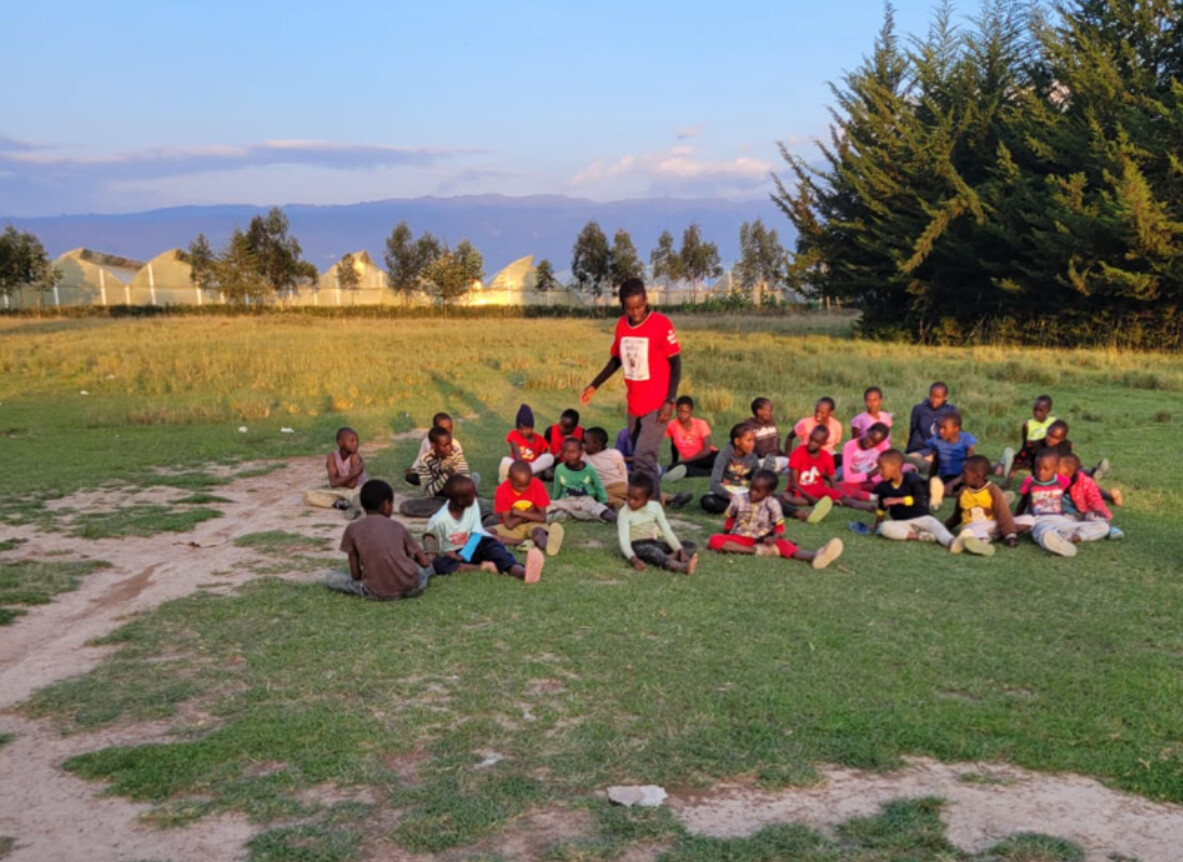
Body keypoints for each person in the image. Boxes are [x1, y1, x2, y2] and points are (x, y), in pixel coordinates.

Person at [582, 278, 682, 502]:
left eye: (639, 306)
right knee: (642, 459)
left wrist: (670, 400)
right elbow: (616, 360)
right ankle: (654, 501)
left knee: (643, 457)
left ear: (646, 300)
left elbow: (676, 364)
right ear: (623, 306)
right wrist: (594, 385)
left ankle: (650, 506)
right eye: (630, 308)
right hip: (635, 404)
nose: (636, 312)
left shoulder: (661, 324)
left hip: (658, 404)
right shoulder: (621, 326)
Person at [707, 469, 844, 569]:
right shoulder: (739, 499)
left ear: (769, 493)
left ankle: (815, 555)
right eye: (751, 488)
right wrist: (726, 534)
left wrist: (774, 537)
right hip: (741, 537)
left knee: (786, 546)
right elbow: (730, 518)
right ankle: (757, 551)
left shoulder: (773, 504)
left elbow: (779, 526)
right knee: (714, 540)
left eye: (758, 491)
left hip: (764, 538)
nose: (752, 493)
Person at [325, 479, 435, 599]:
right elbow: (424, 562)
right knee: (427, 568)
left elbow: (355, 575)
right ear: (386, 504)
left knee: (332, 578)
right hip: (410, 587)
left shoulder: (352, 529)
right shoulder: (397, 526)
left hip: (374, 591)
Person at [426, 475, 544, 582]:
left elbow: (476, 533)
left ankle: (521, 572)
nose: (475, 496)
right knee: (438, 564)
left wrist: (465, 553)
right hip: (454, 553)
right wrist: (433, 557)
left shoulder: (472, 505)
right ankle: (482, 567)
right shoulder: (439, 520)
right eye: (471, 495)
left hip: (475, 544)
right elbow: (430, 540)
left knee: (494, 548)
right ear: (460, 500)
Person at [867, 449, 961, 549]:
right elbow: (881, 509)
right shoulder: (884, 486)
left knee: (936, 526)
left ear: (894, 466)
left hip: (923, 518)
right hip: (903, 523)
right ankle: (922, 536)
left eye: (882, 468)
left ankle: (952, 542)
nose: (879, 472)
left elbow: (918, 499)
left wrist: (898, 500)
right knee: (884, 527)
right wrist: (877, 525)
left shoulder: (912, 479)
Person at [1015, 450, 1101, 557]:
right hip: (1039, 520)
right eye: (1037, 468)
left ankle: (1074, 537)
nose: (1041, 472)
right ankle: (1052, 540)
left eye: (1046, 469)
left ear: (1055, 469)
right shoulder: (1030, 482)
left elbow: (1070, 495)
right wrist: (1016, 517)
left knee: (1102, 526)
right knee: (1043, 532)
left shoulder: (1062, 481)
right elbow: (1023, 501)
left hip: (1061, 519)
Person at [943, 455, 1031, 552]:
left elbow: (1003, 514)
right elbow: (957, 516)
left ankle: (992, 536)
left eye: (964, 473)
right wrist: (945, 527)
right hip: (971, 527)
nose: (961, 476)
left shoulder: (993, 490)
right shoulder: (963, 492)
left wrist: (1010, 535)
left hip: (990, 525)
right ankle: (978, 542)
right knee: (972, 531)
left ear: (977, 476)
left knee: (1029, 520)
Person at [617, 473, 699, 574]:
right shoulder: (624, 512)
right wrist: (634, 560)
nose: (630, 502)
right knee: (652, 551)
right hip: (636, 546)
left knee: (690, 545)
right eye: (628, 496)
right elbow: (624, 541)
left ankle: (668, 557)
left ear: (648, 498)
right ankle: (681, 567)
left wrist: (681, 551)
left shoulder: (655, 507)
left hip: (652, 542)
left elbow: (666, 531)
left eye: (636, 499)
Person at [491, 460, 565, 556]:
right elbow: (509, 524)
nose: (523, 489)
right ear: (509, 478)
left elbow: (542, 517)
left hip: (534, 524)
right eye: (519, 486)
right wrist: (530, 512)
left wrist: (519, 513)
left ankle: (548, 545)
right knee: (484, 532)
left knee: (539, 533)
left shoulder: (537, 485)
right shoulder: (502, 490)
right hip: (513, 529)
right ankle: (523, 542)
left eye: (527, 485)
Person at [398, 425, 473, 519]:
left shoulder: (456, 453)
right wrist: (446, 476)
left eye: (450, 444)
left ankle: (454, 509)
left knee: (472, 494)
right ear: (433, 445)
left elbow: (465, 479)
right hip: (439, 498)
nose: (449, 448)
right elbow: (429, 492)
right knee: (406, 506)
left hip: (459, 496)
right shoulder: (426, 460)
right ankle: (455, 509)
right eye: (445, 445)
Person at [784, 426, 862, 511]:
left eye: (816, 442)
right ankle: (825, 501)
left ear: (823, 443)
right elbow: (794, 484)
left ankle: (869, 507)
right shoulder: (798, 452)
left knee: (845, 499)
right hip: (800, 490)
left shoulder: (826, 457)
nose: (812, 443)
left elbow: (833, 483)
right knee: (790, 498)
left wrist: (840, 495)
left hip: (818, 489)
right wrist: (814, 500)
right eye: (811, 439)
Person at [550, 437, 616, 523]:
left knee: (598, 508)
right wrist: (555, 500)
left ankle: (609, 515)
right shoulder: (559, 468)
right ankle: (575, 514)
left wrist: (604, 502)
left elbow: (598, 486)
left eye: (573, 452)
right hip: (567, 500)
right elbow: (557, 487)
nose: (569, 454)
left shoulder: (589, 469)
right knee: (549, 506)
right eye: (566, 452)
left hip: (586, 499)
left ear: (581, 452)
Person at [304, 426, 366, 518]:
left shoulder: (355, 457)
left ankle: (350, 505)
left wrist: (339, 480)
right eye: (352, 441)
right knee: (309, 496)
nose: (356, 444)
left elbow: (352, 485)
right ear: (340, 443)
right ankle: (342, 504)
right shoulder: (332, 457)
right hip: (341, 491)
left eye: (357, 441)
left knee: (358, 497)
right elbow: (333, 483)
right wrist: (352, 474)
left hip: (356, 490)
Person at [1059, 453, 1123, 540]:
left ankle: (1106, 528)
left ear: (1069, 472)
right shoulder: (1052, 480)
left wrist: (1099, 512)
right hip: (1063, 516)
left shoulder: (1085, 482)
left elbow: (1095, 499)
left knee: (1096, 518)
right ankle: (1069, 532)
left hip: (1083, 514)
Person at [701, 422, 760, 514]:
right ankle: (744, 507)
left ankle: (740, 507)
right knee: (708, 501)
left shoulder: (753, 457)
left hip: (742, 492)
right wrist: (730, 496)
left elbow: (758, 479)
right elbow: (714, 484)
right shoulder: (724, 455)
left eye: (753, 441)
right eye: (748, 441)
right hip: (726, 493)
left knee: (772, 499)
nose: (752, 444)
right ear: (737, 441)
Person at [926, 412, 977, 510]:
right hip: (945, 477)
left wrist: (954, 483)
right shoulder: (937, 441)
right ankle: (936, 501)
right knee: (934, 483)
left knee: (966, 489)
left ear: (956, 429)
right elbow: (935, 463)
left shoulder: (966, 440)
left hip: (962, 477)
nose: (941, 431)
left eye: (945, 428)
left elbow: (970, 466)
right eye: (940, 427)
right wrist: (929, 481)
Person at [996, 395, 1055, 480]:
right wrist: (1025, 460)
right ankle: (1004, 463)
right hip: (1030, 454)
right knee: (999, 472)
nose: (1037, 413)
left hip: (1047, 454)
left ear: (1048, 411)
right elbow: (1025, 445)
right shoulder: (1028, 425)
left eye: (1040, 410)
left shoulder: (1053, 423)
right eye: (1035, 410)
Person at [499, 403, 556, 483]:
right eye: (520, 429)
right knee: (505, 460)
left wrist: (553, 457)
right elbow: (517, 454)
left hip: (532, 466)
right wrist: (521, 467)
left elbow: (542, 455)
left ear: (532, 427)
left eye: (527, 428)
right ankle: (508, 481)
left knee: (549, 457)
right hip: (517, 465)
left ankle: (525, 475)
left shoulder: (539, 439)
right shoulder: (514, 434)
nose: (524, 431)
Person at [905, 382, 957, 468]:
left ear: (945, 397)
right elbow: (913, 431)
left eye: (938, 397)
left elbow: (952, 435)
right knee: (909, 460)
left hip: (940, 449)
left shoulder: (951, 411)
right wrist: (909, 450)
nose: (934, 400)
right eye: (932, 396)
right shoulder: (919, 409)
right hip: (920, 448)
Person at [666, 395, 717, 477]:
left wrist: (685, 461)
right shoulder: (672, 425)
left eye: (685, 412)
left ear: (691, 412)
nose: (682, 415)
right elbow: (673, 444)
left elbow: (706, 450)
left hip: (707, 456)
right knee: (674, 468)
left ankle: (711, 471)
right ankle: (710, 472)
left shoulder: (700, 424)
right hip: (691, 461)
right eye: (679, 411)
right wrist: (675, 462)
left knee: (719, 458)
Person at [838, 422, 890, 501]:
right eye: (870, 438)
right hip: (858, 480)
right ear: (867, 431)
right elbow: (848, 477)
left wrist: (874, 480)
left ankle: (878, 493)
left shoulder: (884, 446)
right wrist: (868, 475)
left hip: (876, 481)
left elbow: (885, 468)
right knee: (838, 487)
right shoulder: (850, 445)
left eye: (875, 443)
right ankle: (872, 497)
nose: (870, 443)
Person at [405, 412, 457, 486]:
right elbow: (419, 459)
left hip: (449, 475)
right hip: (432, 473)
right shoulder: (426, 442)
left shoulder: (455, 443)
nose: (448, 432)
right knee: (410, 477)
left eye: (450, 429)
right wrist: (413, 470)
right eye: (444, 429)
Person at [585, 426, 630, 508]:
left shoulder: (613, 454)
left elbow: (623, 471)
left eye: (586, 442)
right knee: (604, 499)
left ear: (597, 445)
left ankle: (653, 500)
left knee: (635, 493)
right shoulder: (584, 456)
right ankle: (624, 505)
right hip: (604, 488)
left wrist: (626, 484)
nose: (583, 445)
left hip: (618, 484)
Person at [749, 397, 787, 471]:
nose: (772, 414)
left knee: (796, 465)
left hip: (775, 458)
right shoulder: (749, 426)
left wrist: (785, 454)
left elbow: (775, 445)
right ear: (759, 412)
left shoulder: (771, 423)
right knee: (771, 467)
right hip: (761, 459)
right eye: (770, 411)